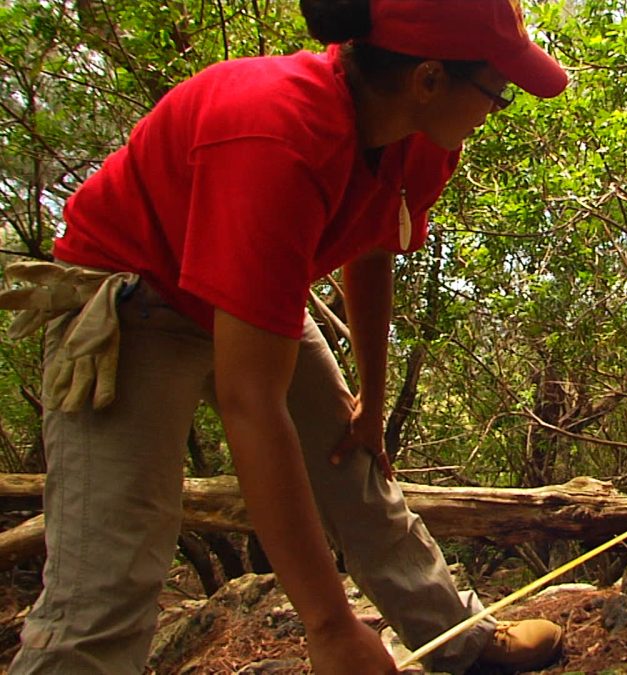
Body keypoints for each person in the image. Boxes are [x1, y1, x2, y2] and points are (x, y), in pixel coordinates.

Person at [1, 1, 568, 673]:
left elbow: (373, 241)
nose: (495, 108)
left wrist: (371, 404)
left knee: (355, 471)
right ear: (429, 78)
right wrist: (329, 626)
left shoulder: (419, 138)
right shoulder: (277, 135)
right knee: (107, 582)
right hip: (133, 302)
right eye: (496, 90)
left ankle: (464, 645)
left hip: (246, 289)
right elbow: (250, 403)